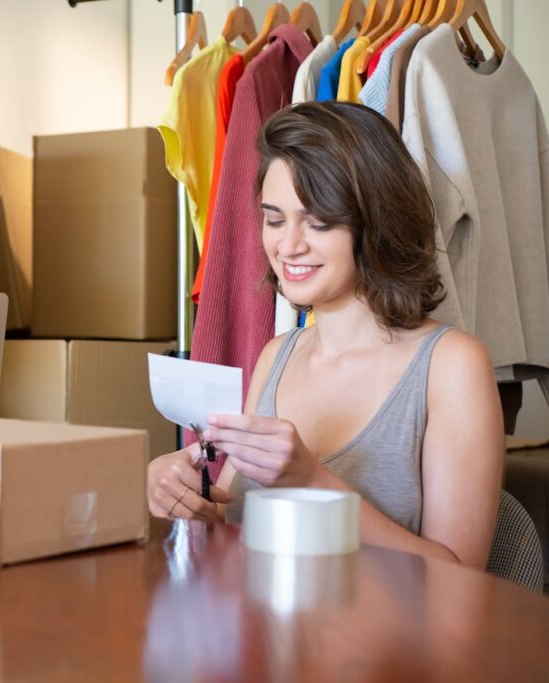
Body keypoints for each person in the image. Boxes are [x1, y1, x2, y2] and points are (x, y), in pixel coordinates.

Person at [147, 102, 503, 570]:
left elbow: (460, 578)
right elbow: (236, 527)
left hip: (388, 644)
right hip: (269, 636)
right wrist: (180, 496)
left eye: (318, 222)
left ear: (377, 222)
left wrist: (313, 482)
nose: (288, 245)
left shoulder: (452, 365)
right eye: (274, 219)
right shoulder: (278, 356)